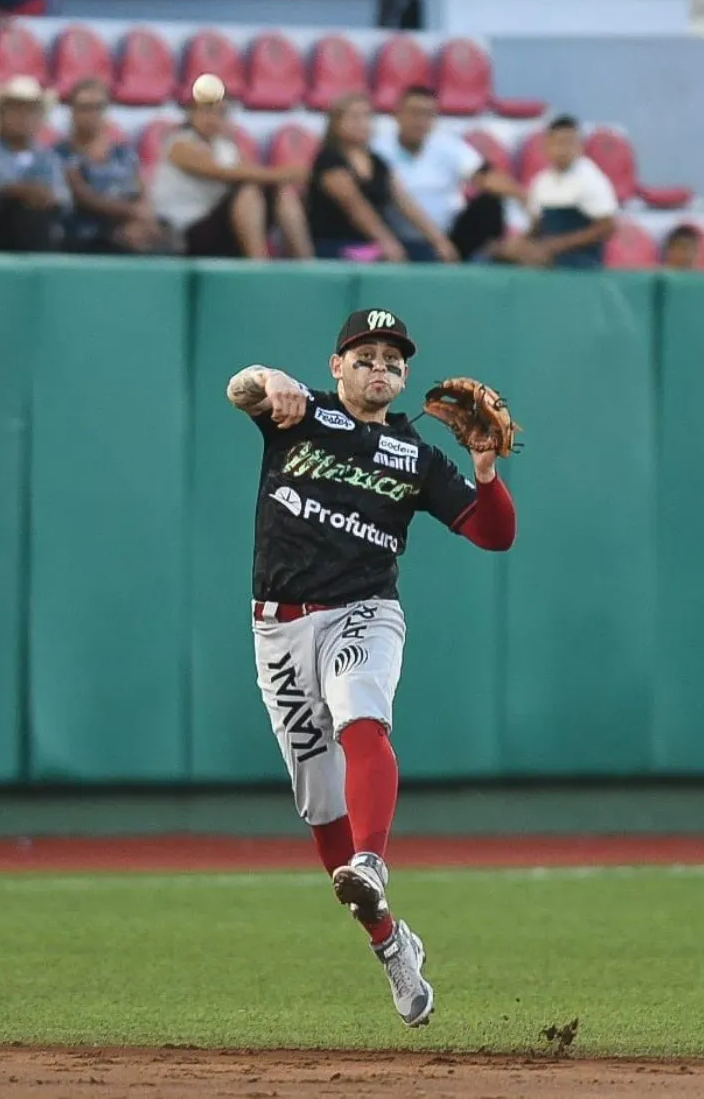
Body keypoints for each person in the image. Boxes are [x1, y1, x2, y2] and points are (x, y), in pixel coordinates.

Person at [226, 308, 516, 1027]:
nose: (378, 366)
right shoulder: (299, 414)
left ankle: (374, 862)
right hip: (278, 627)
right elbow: (238, 389)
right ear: (336, 365)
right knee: (321, 804)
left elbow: (493, 534)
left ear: (405, 375)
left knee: (361, 709)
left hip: (363, 609)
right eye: (365, 354)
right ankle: (391, 942)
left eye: (392, 358)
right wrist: (267, 378)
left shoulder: (417, 457)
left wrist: (485, 473)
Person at [372, 85, 525, 262]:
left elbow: (486, 176)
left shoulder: (448, 145)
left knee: (490, 203)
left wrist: (524, 198)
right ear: (397, 114)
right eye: (414, 112)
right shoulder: (378, 149)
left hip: (449, 235)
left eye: (428, 114)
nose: (420, 120)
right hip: (397, 239)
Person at [151, 95, 313, 259]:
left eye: (220, 113)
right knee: (248, 190)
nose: (213, 119)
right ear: (191, 114)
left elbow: (248, 169)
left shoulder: (227, 147)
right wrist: (284, 174)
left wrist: (281, 179)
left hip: (224, 224)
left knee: (281, 192)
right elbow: (220, 172)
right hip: (186, 229)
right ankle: (258, 263)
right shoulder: (179, 143)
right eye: (207, 112)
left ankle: (304, 261)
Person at [306, 92, 458, 263]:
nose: (362, 124)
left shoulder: (377, 162)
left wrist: (439, 240)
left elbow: (405, 203)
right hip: (336, 243)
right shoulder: (329, 160)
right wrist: (385, 241)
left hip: (373, 245)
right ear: (336, 123)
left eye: (367, 117)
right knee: (385, 256)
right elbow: (355, 206)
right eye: (354, 117)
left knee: (430, 255)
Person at [56, 79, 172, 255]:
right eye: (84, 107)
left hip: (131, 219)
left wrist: (142, 216)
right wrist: (131, 213)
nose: (91, 114)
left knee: (168, 237)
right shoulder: (62, 153)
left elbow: (141, 188)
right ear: (72, 111)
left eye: (97, 107)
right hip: (89, 224)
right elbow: (83, 197)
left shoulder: (122, 152)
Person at [505, 115, 618, 269]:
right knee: (504, 254)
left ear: (580, 146)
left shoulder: (591, 179)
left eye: (569, 143)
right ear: (547, 146)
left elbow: (607, 227)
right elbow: (539, 224)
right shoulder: (542, 181)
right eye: (558, 143)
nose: (563, 149)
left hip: (581, 258)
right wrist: (520, 243)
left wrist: (559, 244)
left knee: (535, 261)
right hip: (550, 251)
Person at [0, 75, 69, 252]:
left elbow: (63, 198)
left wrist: (41, 196)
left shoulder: (48, 156)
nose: (22, 117)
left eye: (29, 111)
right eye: (15, 110)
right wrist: (23, 191)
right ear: (3, 114)